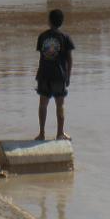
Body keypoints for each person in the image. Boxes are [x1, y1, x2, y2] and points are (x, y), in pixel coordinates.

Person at [34, 9, 74, 141]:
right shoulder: (65, 38)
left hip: (44, 75)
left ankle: (41, 133)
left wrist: (39, 73)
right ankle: (60, 133)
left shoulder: (42, 36)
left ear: (49, 21)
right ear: (61, 22)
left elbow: (42, 57)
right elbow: (69, 59)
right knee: (60, 105)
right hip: (59, 76)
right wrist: (68, 76)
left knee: (42, 105)